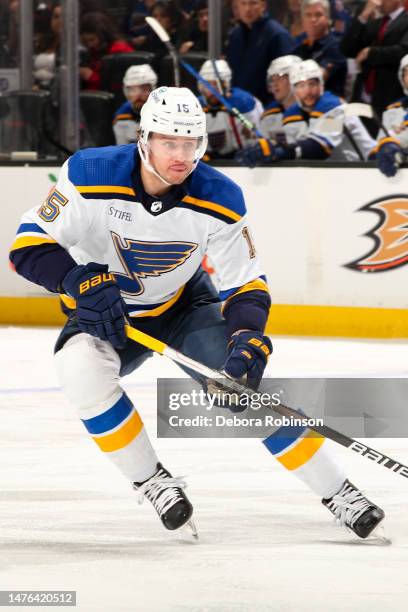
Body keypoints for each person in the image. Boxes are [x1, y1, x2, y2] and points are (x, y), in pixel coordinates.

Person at [9, 86, 384, 540]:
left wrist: (247, 337)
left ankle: (338, 490)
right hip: (107, 313)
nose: (181, 155)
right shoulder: (90, 172)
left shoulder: (220, 196)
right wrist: (76, 281)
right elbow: (28, 244)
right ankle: (153, 482)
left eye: (190, 143)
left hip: (184, 307)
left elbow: (246, 283)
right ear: (144, 138)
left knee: (243, 391)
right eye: (170, 142)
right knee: (78, 370)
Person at [236, 59, 376, 166]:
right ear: (294, 89)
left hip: (365, 169)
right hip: (334, 175)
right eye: (301, 85)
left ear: (321, 85)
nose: (308, 91)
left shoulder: (336, 109)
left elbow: (319, 148)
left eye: (312, 84)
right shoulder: (291, 116)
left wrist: (279, 151)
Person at [340, 0, 408, 116]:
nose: (379, 2)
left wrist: (371, 52)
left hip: (390, 96)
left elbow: (403, 52)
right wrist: (363, 15)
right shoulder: (375, 23)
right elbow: (347, 49)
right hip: (363, 96)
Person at [225, 0, 295, 103]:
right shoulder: (235, 35)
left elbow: (287, 80)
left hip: (268, 108)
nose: (247, 9)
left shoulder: (277, 35)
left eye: (253, 3)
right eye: (243, 3)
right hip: (239, 106)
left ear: (263, 5)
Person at [197, 59, 263, 158]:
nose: (211, 89)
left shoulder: (244, 102)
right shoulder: (196, 106)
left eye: (216, 84)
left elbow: (256, 136)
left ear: (226, 84)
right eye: (207, 84)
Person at [293, 0, 348, 96]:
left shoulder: (336, 46)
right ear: (302, 21)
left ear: (327, 18)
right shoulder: (299, 49)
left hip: (330, 105)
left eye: (318, 15)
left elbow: (316, 78)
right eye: (308, 15)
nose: (313, 19)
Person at [79, 11, 134, 91]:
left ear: (103, 35)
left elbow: (115, 85)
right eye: (86, 41)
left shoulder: (119, 49)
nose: (90, 45)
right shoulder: (92, 51)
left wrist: (91, 77)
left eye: (92, 40)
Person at [376, 53, 408, 176]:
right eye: (407, 72)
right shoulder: (392, 110)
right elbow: (380, 143)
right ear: (402, 77)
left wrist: (395, 143)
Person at [113, 64, 158, 145]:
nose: (138, 95)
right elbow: (122, 149)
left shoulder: (164, 110)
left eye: (144, 89)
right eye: (132, 90)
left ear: (153, 89)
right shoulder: (122, 114)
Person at [260, 55, 302, 141]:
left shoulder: (319, 109)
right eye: (272, 80)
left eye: (279, 78)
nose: (274, 84)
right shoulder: (269, 115)